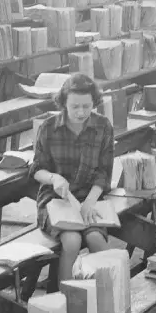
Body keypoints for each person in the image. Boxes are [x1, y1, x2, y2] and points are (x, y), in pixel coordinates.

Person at [29, 74, 114, 283]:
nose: (81, 112)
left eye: (87, 106)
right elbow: (37, 169)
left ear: (94, 102)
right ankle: (64, 296)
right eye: (75, 106)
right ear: (63, 103)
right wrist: (54, 178)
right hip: (55, 199)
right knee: (72, 240)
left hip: (89, 195)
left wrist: (90, 202)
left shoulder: (103, 127)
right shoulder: (48, 128)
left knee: (96, 239)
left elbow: (104, 172)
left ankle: (106, 294)